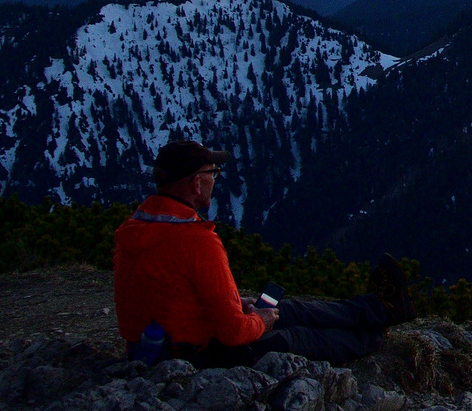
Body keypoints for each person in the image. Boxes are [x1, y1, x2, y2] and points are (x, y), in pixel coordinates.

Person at [113, 138, 414, 367]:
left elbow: (164, 294)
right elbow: (233, 334)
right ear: (195, 182)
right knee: (292, 336)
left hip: (159, 345)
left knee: (289, 309)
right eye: (213, 172)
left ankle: (379, 309)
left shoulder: (135, 228)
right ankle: (373, 336)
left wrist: (233, 304)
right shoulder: (196, 241)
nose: (215, 179)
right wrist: (260, 322)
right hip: (197, 355)